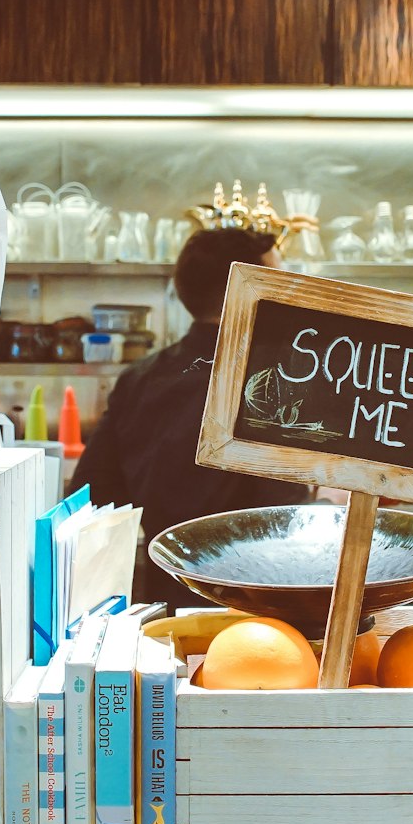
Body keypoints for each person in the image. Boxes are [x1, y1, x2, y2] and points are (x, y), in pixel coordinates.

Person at [71, 227, 312, 611]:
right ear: (252, 288)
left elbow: (93, 495)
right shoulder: (280, 380)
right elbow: (284, 514)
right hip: (260, 611)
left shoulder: (140, 378)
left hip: (166, 607)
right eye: (279, 281)